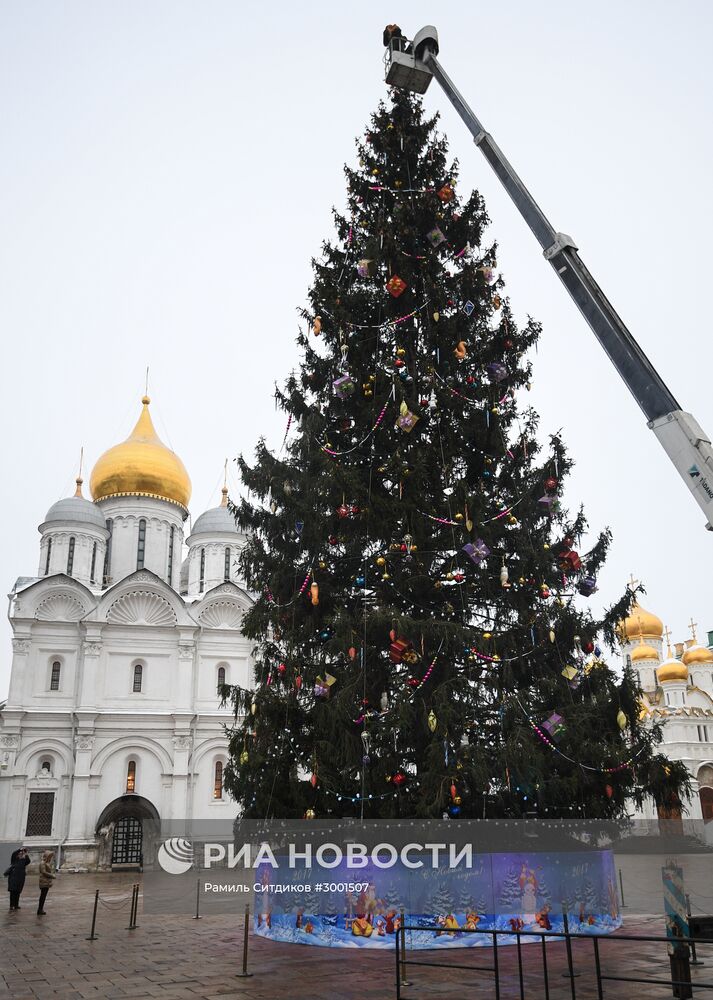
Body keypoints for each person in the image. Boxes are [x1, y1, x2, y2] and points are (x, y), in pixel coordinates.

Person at [37, 850, 56, 915]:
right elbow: (43, 872)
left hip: (46, 881)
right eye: (49, 856)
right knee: (42, 896)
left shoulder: (47, 863)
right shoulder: (43, 863)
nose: (50, 858)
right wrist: (52, 875)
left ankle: (41, 909)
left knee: (43, 896)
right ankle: (40, 909)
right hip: (44, 881)